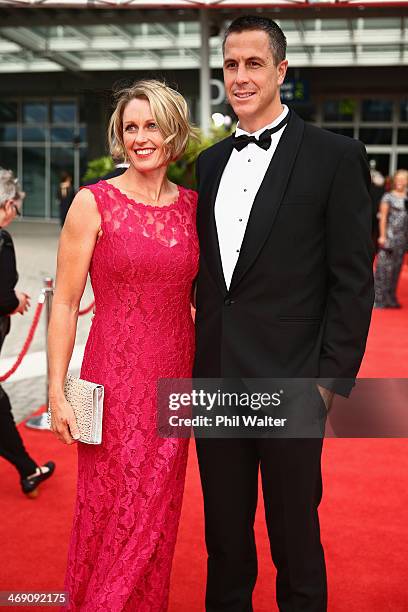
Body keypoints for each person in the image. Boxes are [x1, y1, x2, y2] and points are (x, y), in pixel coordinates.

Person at [193, 16, 374, 612]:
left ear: (281, 71)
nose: (240, 77)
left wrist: (328, 383)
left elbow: (352, 280)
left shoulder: (335, 156)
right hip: (216, 378)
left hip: (292, 382)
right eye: (231, 65)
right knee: (225, 542)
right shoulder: (210, 164)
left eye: (254, 64)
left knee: (295, 539)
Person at [47, 80, 199, 611]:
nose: (140, 137)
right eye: (130, 127)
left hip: (176, 383)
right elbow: (64, 304)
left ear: (174, 130)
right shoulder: (94, 203)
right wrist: (57, 393)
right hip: (112, 381)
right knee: (112, 508)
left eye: (151, 125)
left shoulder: (194, 209)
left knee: (158, 514)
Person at [0, 167, 55, 498]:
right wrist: (17, 299)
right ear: (7, 204)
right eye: (16, 210)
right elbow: (3, 295)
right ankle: (28, 470)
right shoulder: (2, 239)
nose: (15, 217)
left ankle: (27, 469)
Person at [374, 169, 408, 308]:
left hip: (403, 239)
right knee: (383, 269)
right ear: (395, 181)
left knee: (396, 269)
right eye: (398, 178)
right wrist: (382, 236)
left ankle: (390, 298)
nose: (400, 181)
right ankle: (378, 299)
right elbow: (382, 218)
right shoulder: (387, 197)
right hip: (389, 237)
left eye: (403, 179)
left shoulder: (407, 198)